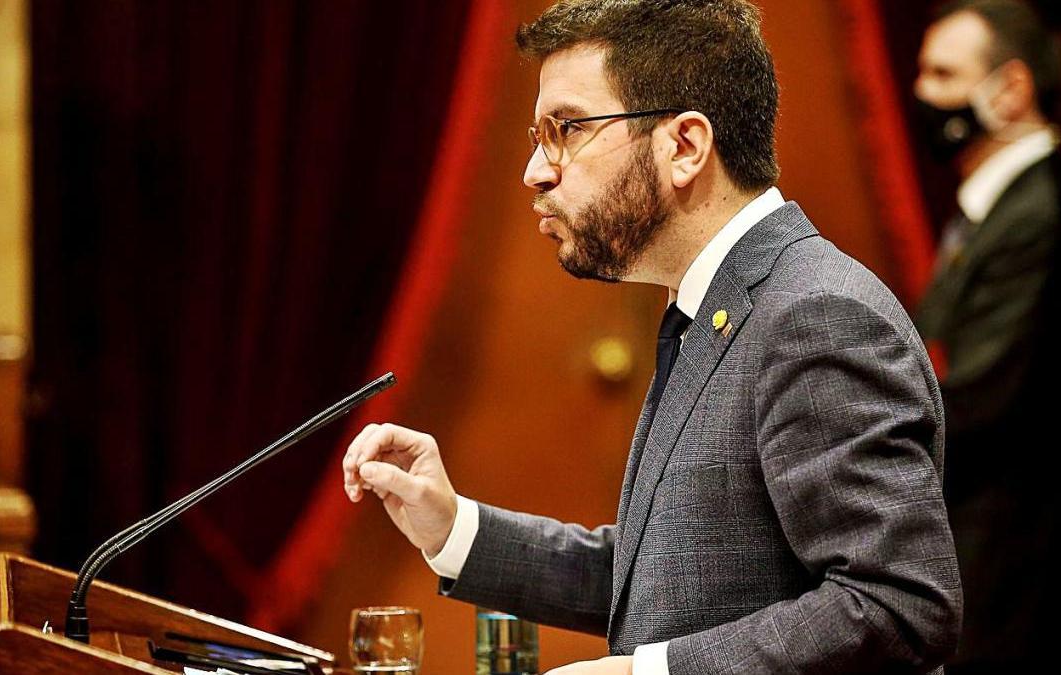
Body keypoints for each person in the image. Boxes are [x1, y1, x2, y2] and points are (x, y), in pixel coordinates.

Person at [344, 1, 962, 673]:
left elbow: (899, 605)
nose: (536, 170)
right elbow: (669, 576)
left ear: (686, 145)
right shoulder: (719, 307)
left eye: (567, 129)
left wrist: (652, 672)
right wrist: (453, 527)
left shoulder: (814, 315)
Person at [913, 1, 1061, 673]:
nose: (923, 93)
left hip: (1009, 554)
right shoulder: (989, 202)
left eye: (943, 73)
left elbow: (981, 399)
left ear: (1012, 89)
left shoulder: (1040, 210)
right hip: (974, 539)